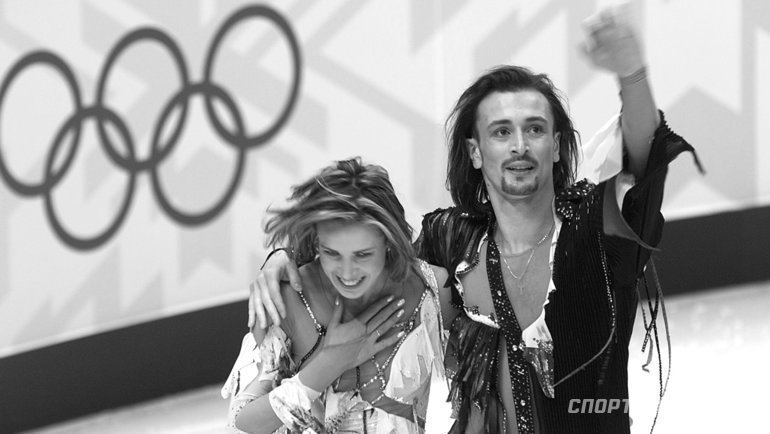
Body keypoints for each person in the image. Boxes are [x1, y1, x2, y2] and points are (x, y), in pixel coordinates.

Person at [248, 7, 700, 434]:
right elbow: (367, 250)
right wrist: (286, 255)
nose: (519, 145)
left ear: (557, 146)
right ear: (476, 151)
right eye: (501, 131)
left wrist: (632, 73)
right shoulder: (450, 241)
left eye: (535, 128)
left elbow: (645, 165)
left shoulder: (597, 230)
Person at [221, 158, 456, 433]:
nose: (347, 272)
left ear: (388, 240)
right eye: (331, 253)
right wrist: (328, 364)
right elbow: (239, 426)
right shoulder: (286, 300)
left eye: (363, 254)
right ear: (316, 240)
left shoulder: (432, 290)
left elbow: (476, 393)